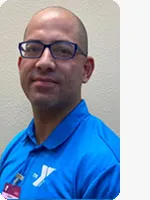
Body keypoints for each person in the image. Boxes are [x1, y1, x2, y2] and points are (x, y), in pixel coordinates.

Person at [0, 6, 120, 199]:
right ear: (20, 64)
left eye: (63, 50)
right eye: (33, 49)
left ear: (86, 70)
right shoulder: (16, 147)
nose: (44, 62)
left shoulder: (108, 168)